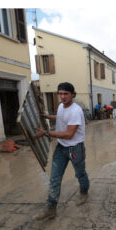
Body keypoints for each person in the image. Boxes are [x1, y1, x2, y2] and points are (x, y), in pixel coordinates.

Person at [33, 82, 90, 220]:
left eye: (66, 94)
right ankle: (51, 208)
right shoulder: (60, 106)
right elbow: (61, 118)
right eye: (60, 93)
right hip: (61, 148)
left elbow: (69, 134)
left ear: (72, 95)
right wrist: (47, 117)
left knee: (80, 173)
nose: (63, 96)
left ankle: (84, 192)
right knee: (54, 178)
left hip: (75, 148)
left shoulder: (76, 111)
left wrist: (46, 133)